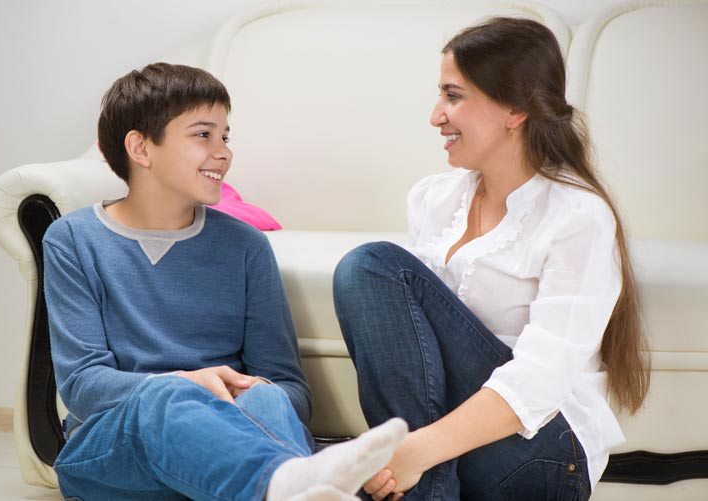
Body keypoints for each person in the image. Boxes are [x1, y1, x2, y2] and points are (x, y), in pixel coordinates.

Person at [43, 62, 408, 501]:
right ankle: (299, 477)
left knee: (269, 398)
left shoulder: (245, 246)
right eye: (203, 135)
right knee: (165, 397)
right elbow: (82, 385)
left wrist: (239, 394)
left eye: (225, 136)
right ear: (141, 148)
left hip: (226, 453)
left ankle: (285, 487)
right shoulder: (72, 240)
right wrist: (186, 383)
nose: (223, 152)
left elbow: (290, 388)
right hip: (110, 455)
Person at [332, 17, 650, 501]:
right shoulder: (432, 199)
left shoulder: (577, 216)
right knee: (367, 271)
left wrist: (415, 451)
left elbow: (539, 381)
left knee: (371, 264)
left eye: (453, 96)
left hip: (542, 453)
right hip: (452, 452)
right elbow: (413, 362)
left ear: (515, 110)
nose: (436, 115)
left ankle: (409, 475)